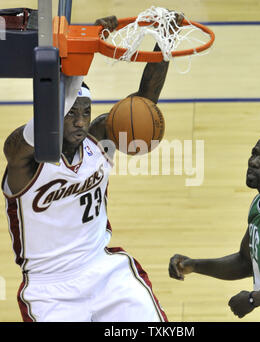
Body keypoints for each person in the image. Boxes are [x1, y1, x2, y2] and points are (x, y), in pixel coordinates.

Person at [1, 13, 183, 322]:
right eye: (72, 113)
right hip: (49, 288)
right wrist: (82, 49)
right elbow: (45, 118)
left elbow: (144, 104)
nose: (81, 122)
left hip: (103, 270)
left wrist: (164, 39)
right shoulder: (23, 156)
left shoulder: (98, 139)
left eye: (86, 112)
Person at [169, 134, 260, 322]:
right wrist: (193, 265)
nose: (254, 162)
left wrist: (254, 299)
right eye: (254, 154)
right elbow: (245, 262)